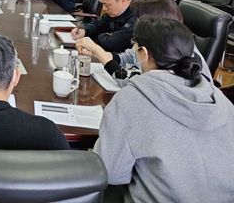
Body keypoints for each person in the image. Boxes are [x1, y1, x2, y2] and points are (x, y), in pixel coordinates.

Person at [93, 16, 234, 203]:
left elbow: (110, 172)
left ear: (144, 53)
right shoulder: (221, 100)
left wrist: (100, 53)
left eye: (134, 45)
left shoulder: (132, 98)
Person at [76, 0, 212, 80]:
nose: (137, 25)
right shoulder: (155, 39)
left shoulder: (173, 53)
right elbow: (127, 58)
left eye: (139, 21)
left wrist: (98, 51)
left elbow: (128, 81)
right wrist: (96, 52)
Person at [71, 0, 135, 52]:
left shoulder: (137, 16)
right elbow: (98, 24)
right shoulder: (115, 12)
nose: (104, 8)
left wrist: (102, 35)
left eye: (107, 4)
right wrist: (84, 30)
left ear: (122, 1)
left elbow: (111, 44)